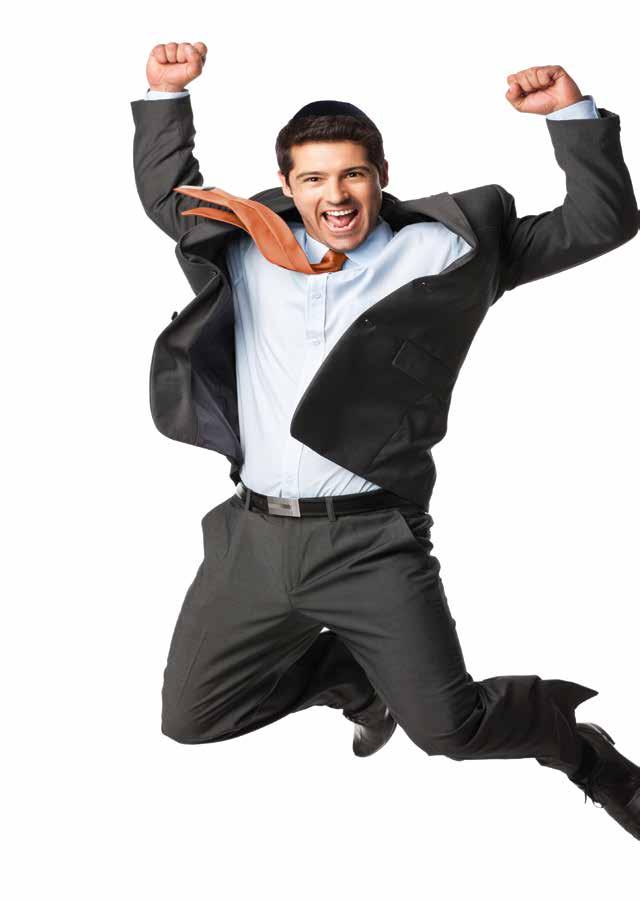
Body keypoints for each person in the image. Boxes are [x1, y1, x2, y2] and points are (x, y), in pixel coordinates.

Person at [131, 41, 640, 840]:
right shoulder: (246, 243)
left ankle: (587, 755)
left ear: (381, 176)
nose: (335, 196)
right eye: (313, 179)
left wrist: (570, 115)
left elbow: (601, 222)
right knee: (194, 716)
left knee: (453, 730)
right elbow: (168, 194)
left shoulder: (449, 249)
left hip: (371, 542)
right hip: (252, 542)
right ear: (288, 185)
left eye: (352, 175)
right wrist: (166, 94)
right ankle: (351, 678)